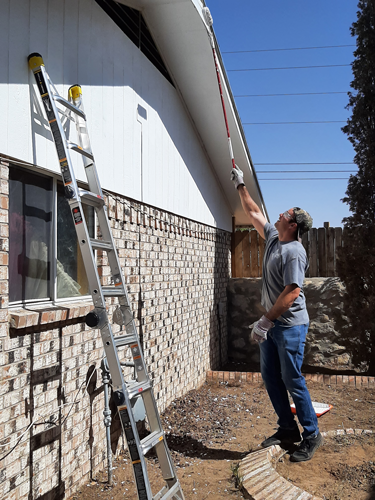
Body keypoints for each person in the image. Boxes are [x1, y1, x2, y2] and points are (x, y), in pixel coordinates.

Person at [231, 165, 322, 463]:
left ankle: (311, 435)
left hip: (290, 326)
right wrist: (241, 184)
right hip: (271, 325)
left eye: (286, 214)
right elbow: (255, 212)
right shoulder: (273, 236)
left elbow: (292, 292)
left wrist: (267, 320)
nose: (280, 214)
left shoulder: (293, 251)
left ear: (293, 225)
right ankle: (287, 430)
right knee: (271, 377)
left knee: (291, 378)